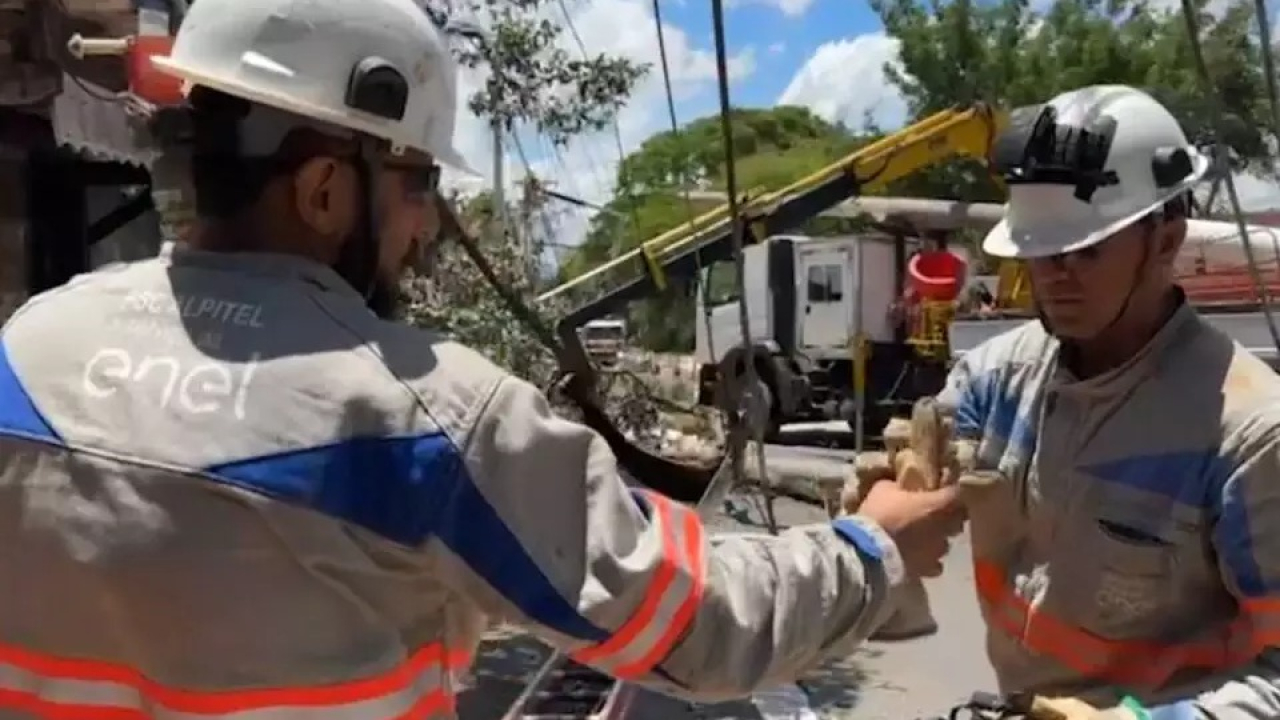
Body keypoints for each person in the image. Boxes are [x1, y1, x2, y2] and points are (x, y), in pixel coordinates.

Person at [0, 0, 964, 717]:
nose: (426, 226)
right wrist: (873, 549)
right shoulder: (422, 419)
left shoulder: (26, 350)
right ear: (326, 188)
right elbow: (696, 624)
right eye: (418, 181)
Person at [943, 84, 1280, 719]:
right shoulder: (993, 381)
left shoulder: (1249, 436)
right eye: (1040, 251)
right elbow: (921, 483)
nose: (1054, 276)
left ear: (1165, 241)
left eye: (1086, 251)